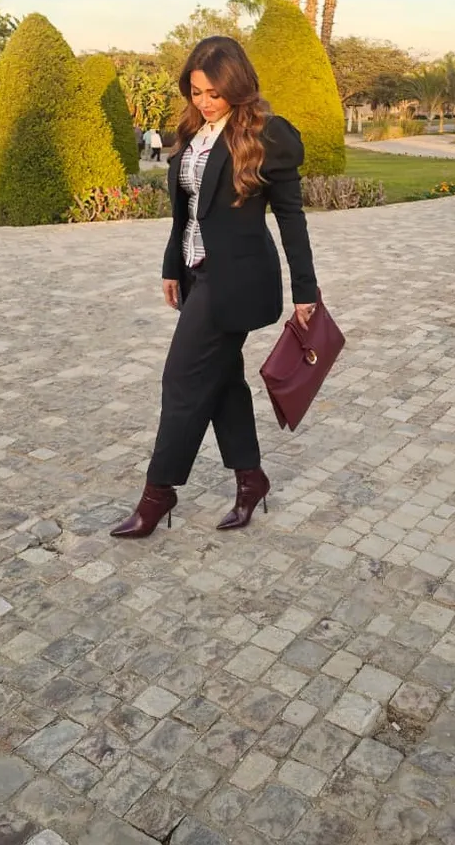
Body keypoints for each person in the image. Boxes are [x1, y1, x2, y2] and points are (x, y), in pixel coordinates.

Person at [110, 35, 318, 539]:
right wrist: (172, 266)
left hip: (239, 282)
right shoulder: (193, 132)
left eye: (214, 94)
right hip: (197, 275)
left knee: (181, 379)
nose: (203, 102)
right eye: (196, 91)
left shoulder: (268, 135)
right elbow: (184, 212)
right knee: (222, 382)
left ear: (237, 87)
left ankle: (158, 494)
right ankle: (251, 480)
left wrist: (305, 290)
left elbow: (291, 218)